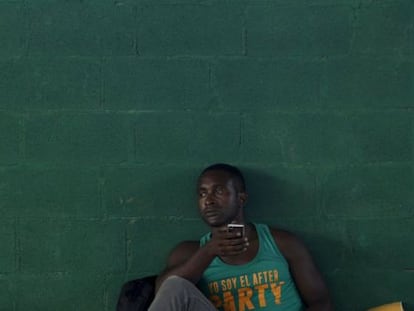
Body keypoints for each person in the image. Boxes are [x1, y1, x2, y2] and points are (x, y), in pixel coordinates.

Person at [148, 163, 333, 311]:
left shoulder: (281, 242)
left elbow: (322, 303)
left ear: (241, 199)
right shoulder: (189, 252)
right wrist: (209, 251)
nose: (209, 200)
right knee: (175, 286)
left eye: (218, 191)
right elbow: (164, 296)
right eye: (202, 193)